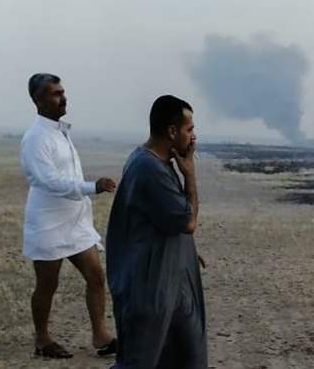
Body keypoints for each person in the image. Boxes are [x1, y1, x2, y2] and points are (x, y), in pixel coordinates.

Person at [20, 73, 117, 359]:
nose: (63, 97)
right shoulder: (35, 138)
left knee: (96, 276)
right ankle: (42, 339)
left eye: (63, 92)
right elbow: (48, 181)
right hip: (48, 223)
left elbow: (66, 175)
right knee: (47, 285)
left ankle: (101, 336)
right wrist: (91, 187)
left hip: (76, 223)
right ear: (38, 100)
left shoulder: (61, 131)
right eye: (55, 93)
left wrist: (87, 192)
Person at [106, 95, 206, 369]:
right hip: (149, 288)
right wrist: (191, 175)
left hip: (173, 280)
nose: (194, 137)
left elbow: (166, 222)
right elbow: (187, 222)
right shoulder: (148, 168)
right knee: (140, 361)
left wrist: (186, 252)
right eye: (189, 129)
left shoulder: (157, 163)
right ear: (172, 131)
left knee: (187, 356)